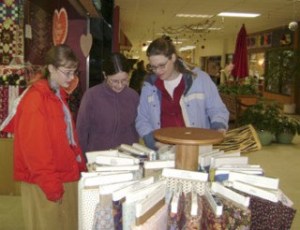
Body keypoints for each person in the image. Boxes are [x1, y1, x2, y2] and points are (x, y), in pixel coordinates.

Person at [0, 44, 87, 230]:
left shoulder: (57, 95)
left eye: (74, 72)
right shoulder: (35, 100)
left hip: (64, 176)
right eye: (67, 72)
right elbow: (35, 151)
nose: (72, 78)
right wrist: (52, 186)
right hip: (44, 183)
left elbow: (68, 138)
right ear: (51, 68)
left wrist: (79, 167)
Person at [135, 36, 229, 150]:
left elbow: (217, 109)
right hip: (163, 148)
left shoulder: (200, 79)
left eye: (162, 65)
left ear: (173, 57)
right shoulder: (149, 86)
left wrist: (218, 127)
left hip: (196, 147)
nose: (158, 71)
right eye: (153, 67)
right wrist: (153, 142)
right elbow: (142, 119)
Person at [76, 53, 139, 154]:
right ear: (105, 75)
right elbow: (82, 130)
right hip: (98, 156)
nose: (120, 85)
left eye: (124, 80)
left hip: (127, 156)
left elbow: (136, 128)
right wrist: (83, 156)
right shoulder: (91, 96)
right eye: (114, 81)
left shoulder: (133, 96)